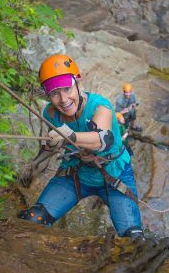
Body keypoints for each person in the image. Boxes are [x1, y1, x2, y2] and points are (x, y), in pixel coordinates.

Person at [17, 54, 144, 239]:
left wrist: (70, 136)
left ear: (78, 83)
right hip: (75, 174)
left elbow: (103, 139)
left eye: (67, 89)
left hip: (114, 175)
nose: (63, 99)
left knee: (134, 240)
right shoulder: (51, 113)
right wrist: (34, 166)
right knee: (33, 220)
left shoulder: (101, 107)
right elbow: (51, 146)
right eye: (54, 93)